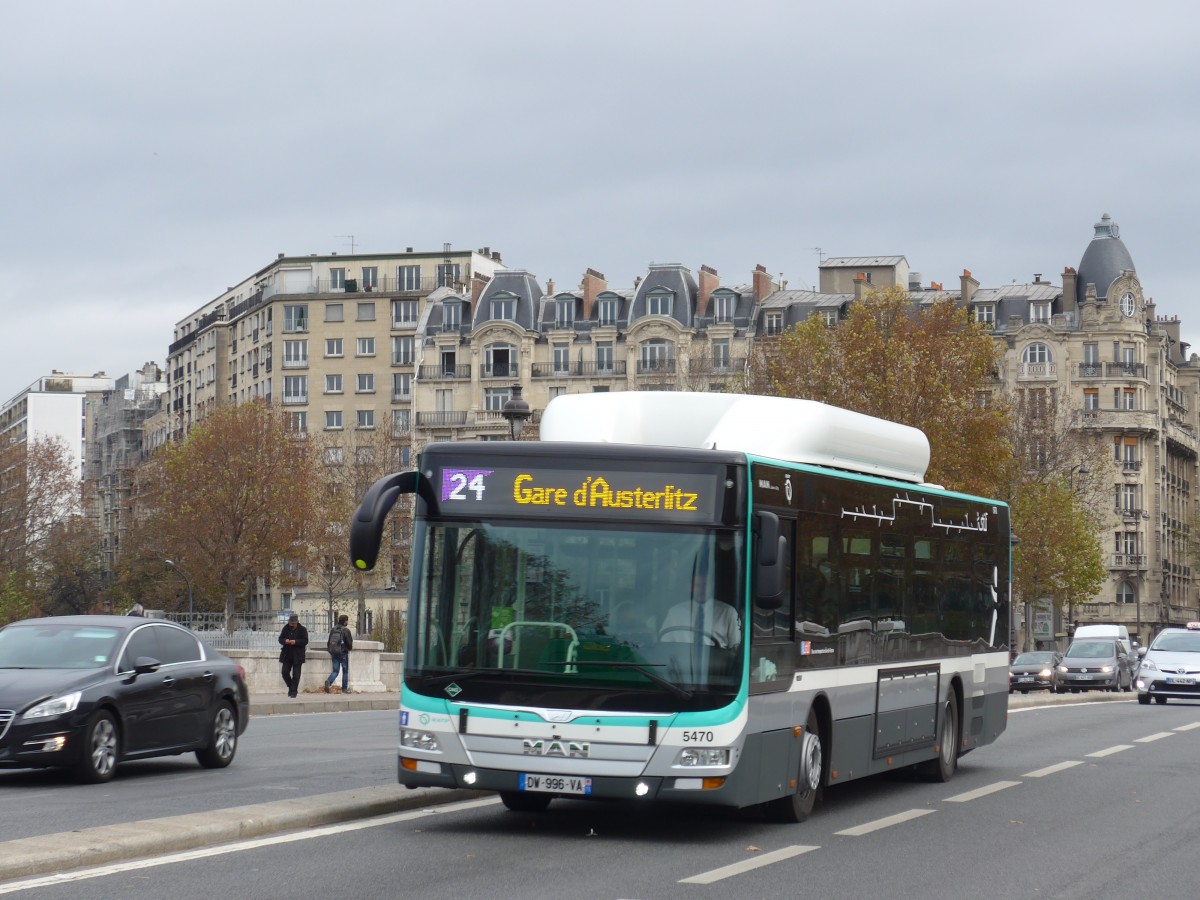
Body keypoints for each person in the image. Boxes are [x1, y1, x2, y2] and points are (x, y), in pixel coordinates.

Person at [659, 570, 741, 649]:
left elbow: (736, 646)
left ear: (712, 586)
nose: (701, 589)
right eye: (697, 585)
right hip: (681, 658)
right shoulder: (675, 613)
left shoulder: (728, 612)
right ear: (690, 588)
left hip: (717, 658)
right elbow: (664, 645)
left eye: (705, 585)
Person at [278, 613, 309, 698]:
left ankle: (293, 692)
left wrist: (295, 642)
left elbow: (305, 641)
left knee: (296, 675)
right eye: (290, 623)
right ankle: (291, 687)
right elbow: (280, 639)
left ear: (296, 623)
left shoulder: (302, 629)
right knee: (284, 672)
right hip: (287, 654)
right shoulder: (286, 628)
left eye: (293, 624)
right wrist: (285, 641)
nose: (291, 625)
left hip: (298, 655)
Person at [324, 614, 354, 693]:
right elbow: (349, 643)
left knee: (335, 671)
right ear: (345, 621)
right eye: (347, 621)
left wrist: (331, 650)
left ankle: (329, 681)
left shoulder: (333, 629)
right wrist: (348, 648)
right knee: (345, 671)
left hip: (334, 652)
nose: (347, 622)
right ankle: (344, 689)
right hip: (343, 653)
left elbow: (329, 642)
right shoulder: (346, 630)